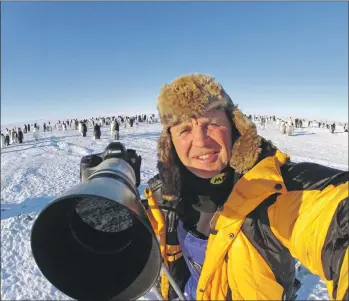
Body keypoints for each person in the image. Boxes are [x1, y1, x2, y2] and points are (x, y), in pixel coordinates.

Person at [143, 74, 348, 301]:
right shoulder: (165, 195)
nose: (201, 141)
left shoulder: (272, 189)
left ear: (234, 127)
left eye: (211, 123)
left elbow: (334, 216)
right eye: (184, 130)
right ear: (169, 142)